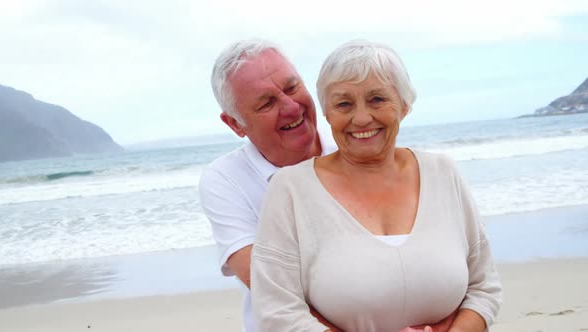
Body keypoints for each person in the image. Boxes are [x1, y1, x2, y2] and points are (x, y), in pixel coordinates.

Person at [251, 40, 503, 332]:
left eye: (377, 100)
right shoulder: (290, 189)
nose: (361, 118)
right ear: (328, 114)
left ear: (405, 105)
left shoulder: (443, 172)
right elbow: (276, 311)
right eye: (344, 103)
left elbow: (485, 287)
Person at [199, 39, 339, 332]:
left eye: (291, 88)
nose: (290, 107)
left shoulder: (353, 147)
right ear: (235, 124)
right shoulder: (225, 180)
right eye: (266, 103)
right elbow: (271, 291)